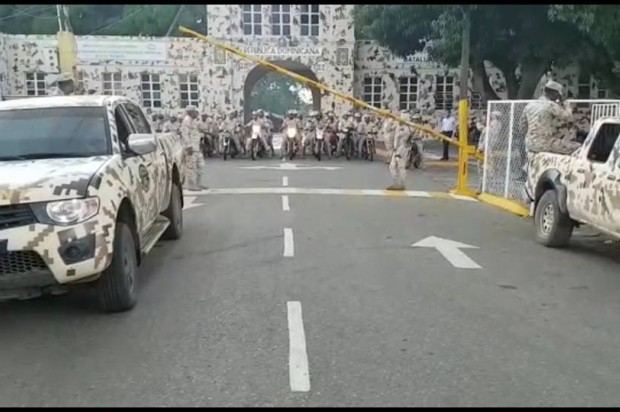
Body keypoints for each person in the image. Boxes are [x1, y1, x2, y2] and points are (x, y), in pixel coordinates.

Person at [522, 80, 581, 159]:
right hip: (546, 143)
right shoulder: (551, 105)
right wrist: (565, 102)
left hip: (530, 143)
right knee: (578, 147)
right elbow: (569, 118)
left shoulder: (529, 105)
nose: (558, 96)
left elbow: (523, 126)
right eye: (558, 94)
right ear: (554, 93)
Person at [180, 106, 208, 191]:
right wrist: (188, 146)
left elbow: (198, 131)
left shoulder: (194, 121)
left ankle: (198, 183)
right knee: (191, 167)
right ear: (190, 112)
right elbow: (185, 134)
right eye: (195, 112)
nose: (197, 113)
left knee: (200, 165)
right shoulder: (187, 120)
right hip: (191, 148)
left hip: (196, 147)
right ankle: (191, 185)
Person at [387, 112, 413, 191]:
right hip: (396, 148)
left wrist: (398, 150)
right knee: (392, 166)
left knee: (401, 166)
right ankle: (396, 183)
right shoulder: (398, 126)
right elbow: (389, 130)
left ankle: (401, 184)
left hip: (402, 149)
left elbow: (402, 139)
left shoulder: (405, 128)